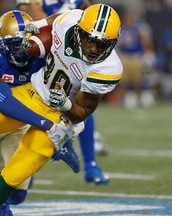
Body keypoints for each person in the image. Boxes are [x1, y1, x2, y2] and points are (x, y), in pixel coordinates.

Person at [0, 4, 122, 215]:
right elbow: (56, 19)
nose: (93, 48)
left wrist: (65, 104)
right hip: (33, 91)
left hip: (59, 119)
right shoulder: (70, 20)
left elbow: (82, 112)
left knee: (11, 178)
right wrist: (38, 24)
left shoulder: (107, 68)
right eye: (89, 39)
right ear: (79, 29)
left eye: (102, 45)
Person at [0, 10, 82, 215]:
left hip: (20, 123)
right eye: (16, 45)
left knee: (19, 194)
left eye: (26, 44)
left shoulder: (41, 58)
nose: (22, 51)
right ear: (2, 43)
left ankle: (60, 150)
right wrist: (45, 124)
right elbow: (4, 103)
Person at [17, 0, 111, 187]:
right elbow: (31, 14)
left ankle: (90, 164)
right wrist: (61, 22)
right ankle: (26, 171)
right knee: (24, 115)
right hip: (36, 53)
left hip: (68, 53)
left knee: (81, 104)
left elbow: (89, 13)